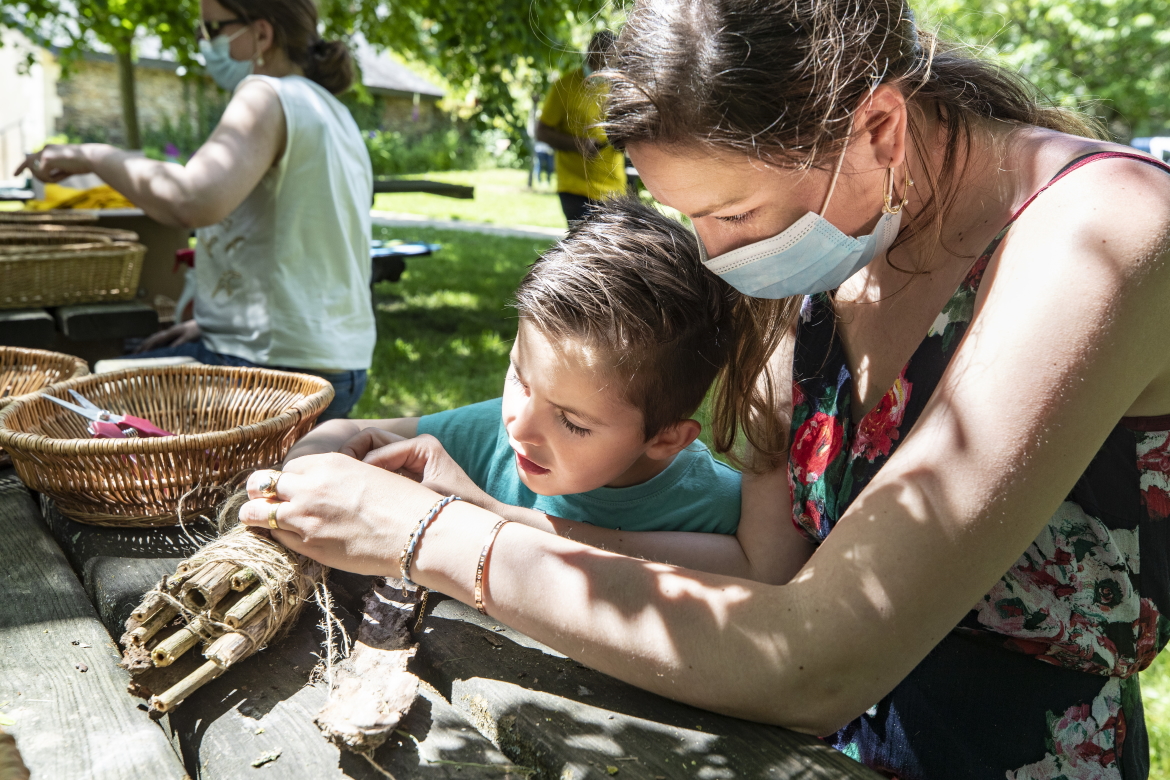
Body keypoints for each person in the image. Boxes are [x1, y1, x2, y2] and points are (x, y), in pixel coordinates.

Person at [236, 1, 1170, 776]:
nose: (715, 259)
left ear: (878, 127)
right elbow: (766, 578)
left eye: (732, 214)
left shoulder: (1101, 236)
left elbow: (816, 658)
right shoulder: (830, 250)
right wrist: (485, 509)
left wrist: (428, 538)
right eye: (692, 219)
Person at [286, 200, 740, 535]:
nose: (519, 425)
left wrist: (479, 511)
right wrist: (330, 472)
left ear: (664, 438)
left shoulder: (718, 513)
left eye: (572, 421)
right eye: (519, 379)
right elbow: (332, 434)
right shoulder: (490, 435)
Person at [16, 0, 375, 421]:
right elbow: (303, 243)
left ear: (262, 35)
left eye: (212, 29)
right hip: (336, 367)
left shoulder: (265, 93)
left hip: (274, 373)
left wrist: (92, 156)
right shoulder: (333, 113)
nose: (205, 44)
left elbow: (189, 199)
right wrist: (215, 322)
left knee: (60, 407)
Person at [535, 31, 627, 223]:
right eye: (595, 57)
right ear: (587, 53)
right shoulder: (564, 86)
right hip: (575, 187)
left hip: (614, 189)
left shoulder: (620, 87)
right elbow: (541, 132)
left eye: (607, 60)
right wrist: (578, 144)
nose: (598, 64)